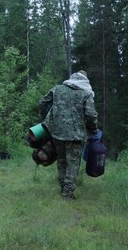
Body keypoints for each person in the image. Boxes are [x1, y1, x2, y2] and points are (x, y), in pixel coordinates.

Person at [39, 70, 98, 200]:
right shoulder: (86, 93)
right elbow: (91, 115)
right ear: (85, 80)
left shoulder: (58, 89)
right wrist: (93, 129)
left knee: (61, 160)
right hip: (76, 134)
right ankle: (67, 193)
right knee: (73, 163)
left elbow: (42, 102)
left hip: (57, 132)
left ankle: (63, 187)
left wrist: (50, 118)